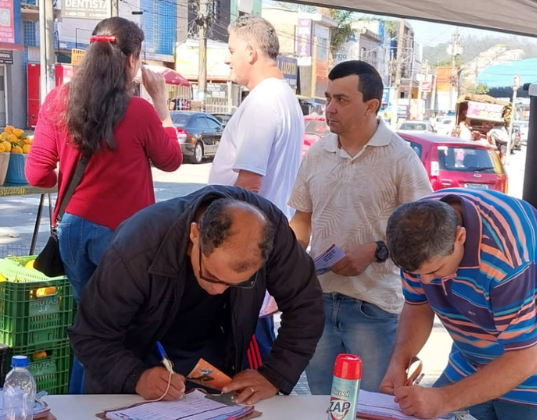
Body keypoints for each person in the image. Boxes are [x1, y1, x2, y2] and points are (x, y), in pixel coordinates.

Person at [25, 17, 182, 394]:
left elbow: (36, 174)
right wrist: (162, 107)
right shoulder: (140, 112)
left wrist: (67, 184)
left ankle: (80, 406)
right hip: (126, 241)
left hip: (74, 232)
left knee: (90, 330)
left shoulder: (57, 102)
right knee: (118, 335)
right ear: (131, 61)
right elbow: (172, 159)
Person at [69, 185, 325, 404]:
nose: (218, 290)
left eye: (237, 283)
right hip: (133, 351)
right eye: (212, 276)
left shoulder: (271, 232)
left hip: (212, 350)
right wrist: (136, 376)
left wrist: (275, 374)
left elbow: (306, 305)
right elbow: (91, 335)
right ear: (195, 234)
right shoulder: (136, 248)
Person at [288, 61, 433, 395]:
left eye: (342, 99)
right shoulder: (317, 154)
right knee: (324, 405)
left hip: (374, 306)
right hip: (318, 300)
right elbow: (301, 221)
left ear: (371, 106)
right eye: (328, 98)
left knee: (373, 409)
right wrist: (290, 263)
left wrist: (377, 250)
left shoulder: (401, 159)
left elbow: (425, 239)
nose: (330, 109)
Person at [382, 189, 537, 420]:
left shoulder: (506, 258)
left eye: (435, 271)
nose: (426, 281)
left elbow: (526, 357)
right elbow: (418, 306)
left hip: (528, 379)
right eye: (416, 274)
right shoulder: (415, 228)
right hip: (469, 361)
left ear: (460, 237)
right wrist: (399, 361)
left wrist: (443, 399)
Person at [208, 15, 304, 370]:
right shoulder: (283, 98)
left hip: (241, 246)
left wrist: (214, 243)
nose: (228, 59)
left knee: (247, 360)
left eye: (231, 50)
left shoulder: (264, 102)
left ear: (251, 51)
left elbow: (248, 186)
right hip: (257, 245)